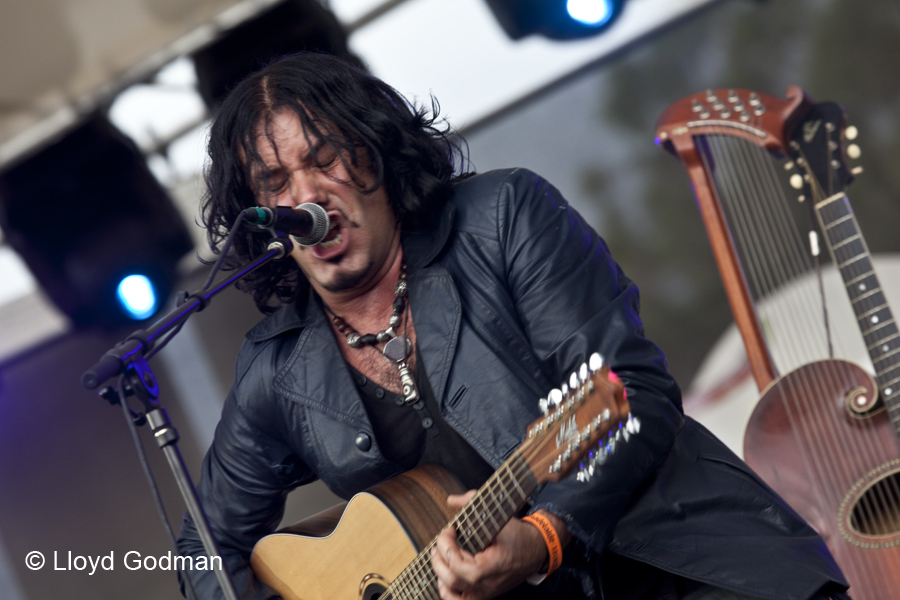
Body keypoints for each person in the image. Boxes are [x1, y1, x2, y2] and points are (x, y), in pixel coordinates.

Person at [177, 52, 849, 600]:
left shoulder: (501, 219)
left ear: (376, 157)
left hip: (692, 568)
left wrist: (547, 534)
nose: (305, 197)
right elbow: (202, 553)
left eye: (324, 159)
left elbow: (632, 391)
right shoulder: (278, 367)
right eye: (274, 183)